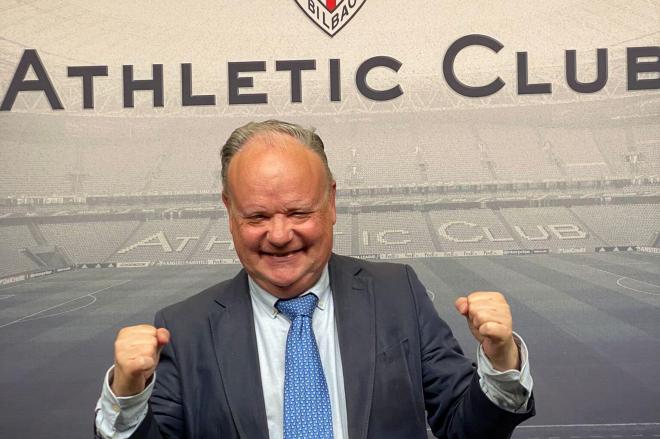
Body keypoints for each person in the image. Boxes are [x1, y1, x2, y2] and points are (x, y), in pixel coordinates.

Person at [94, 120, 535, 439]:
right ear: (229, 211)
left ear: (332, 203)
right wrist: (128, 396)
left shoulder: (397, 293)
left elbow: (466, 428)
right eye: (258, 216)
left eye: (299, 212)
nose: (280, 235)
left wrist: (500, 361)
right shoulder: (184, 328)